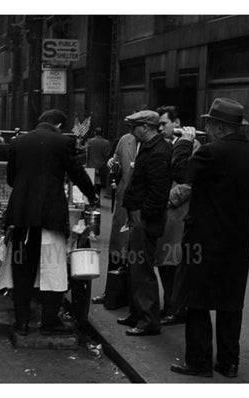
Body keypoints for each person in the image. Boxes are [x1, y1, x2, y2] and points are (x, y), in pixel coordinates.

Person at [169, 98, 249, 377]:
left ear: (220, 127)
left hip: (204, 239)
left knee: (197, 301)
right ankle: (229, 362)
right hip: (239, 240)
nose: (206, 129)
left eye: (209, 125)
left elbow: (180, 173)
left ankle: (199, 362)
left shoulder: (211, 153)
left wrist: (184, 144)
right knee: (231, 302)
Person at [5, 109, 98, 336]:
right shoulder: (62, 142)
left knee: (22, 269)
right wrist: (92, 195)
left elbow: (10, 178)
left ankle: (22, 322)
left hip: (22, 216)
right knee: (53, 266)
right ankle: (49, 321)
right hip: (50, 215)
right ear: (58, 125)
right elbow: (77, 173)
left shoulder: (18, 142)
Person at [117, 110, 172, 336]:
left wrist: (143, 216)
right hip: (140, 216)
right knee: (135, 267)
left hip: (145, 218)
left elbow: (158, 191)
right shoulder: (151, 147)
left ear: (146, 127)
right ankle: (138, 313)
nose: (131, 131)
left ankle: (148, 319)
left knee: (142, 270)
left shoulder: (158, 151)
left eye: (135, 126)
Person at [154, 105, 200, 326]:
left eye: (164, 123)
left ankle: (177, 308)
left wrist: (168, 197)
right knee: (164, 262)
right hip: (165, 213)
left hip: (179, 212)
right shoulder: (163, 145)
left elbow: (190, 181)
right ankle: (169, 304)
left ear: (177, 123)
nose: (161, 128)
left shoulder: (193, 145)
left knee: (175, 263)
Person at [91, 130, 139, 308]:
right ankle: (111, 291)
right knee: (117, 249)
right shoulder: (125, 140)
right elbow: (116, 165)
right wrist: (113, 165)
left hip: (142, 206)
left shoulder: (158, 145)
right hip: (123, 203)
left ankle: (132, 298)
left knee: (137, 254)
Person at [86, 127, 110, 203]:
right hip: (101, 165)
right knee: (98, 185)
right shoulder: (106, 142)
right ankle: (97, 200)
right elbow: (107, 154)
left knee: (91, 183)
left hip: (91, 164)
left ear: (95, 133)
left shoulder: (89, 141)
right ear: (102, 133)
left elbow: (86, 153)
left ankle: (91, 199)